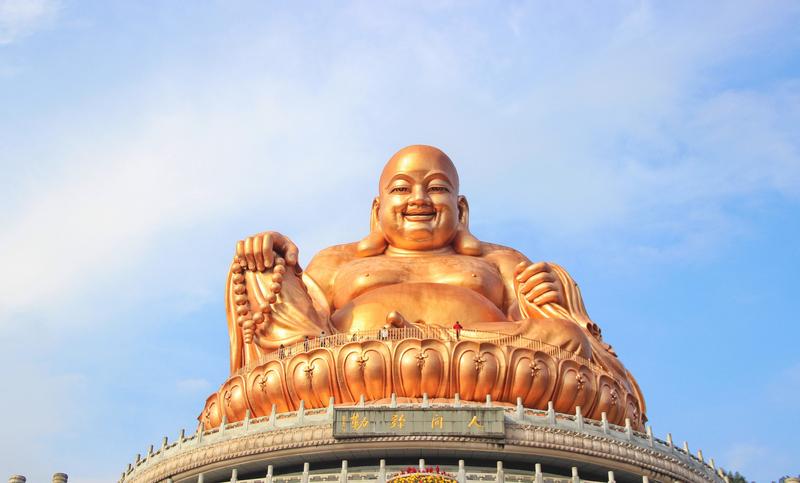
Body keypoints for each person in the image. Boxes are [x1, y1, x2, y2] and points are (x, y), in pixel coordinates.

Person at [226, 145, 635, 393]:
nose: (419, 199)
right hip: (358, 367)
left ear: (460, 208)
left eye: (436, 187)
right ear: (377, 208)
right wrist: (269, 259)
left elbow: (568, 337)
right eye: (402, 188)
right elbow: (300, 327)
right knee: (289, 323)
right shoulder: (339, 260)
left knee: (562, 339)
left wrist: (555, 294)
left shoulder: (499, 260)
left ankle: (418, 340)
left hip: (479, 367)